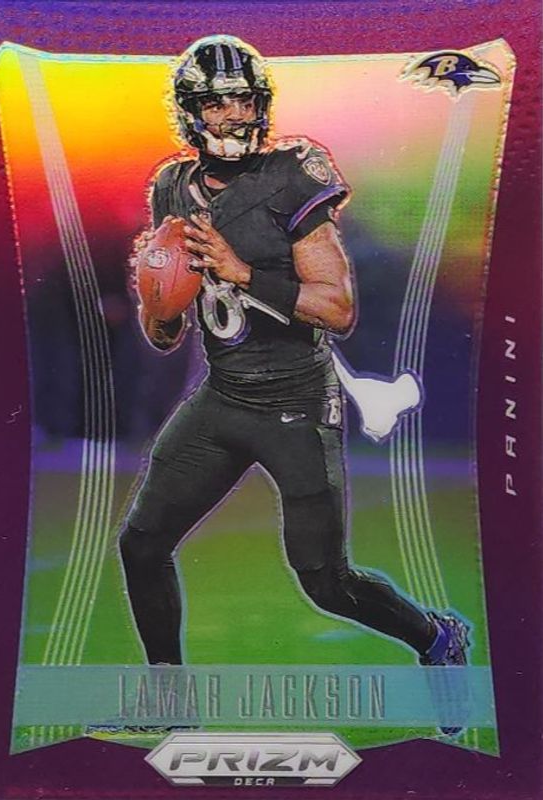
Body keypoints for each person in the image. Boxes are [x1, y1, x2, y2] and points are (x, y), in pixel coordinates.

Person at [119, 35, 469, 699]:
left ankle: (435, 637)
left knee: (325, 582)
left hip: (296, 403)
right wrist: (156, 300)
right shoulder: (171, 186)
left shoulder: (291, 174)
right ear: (190, 112)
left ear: (261, 104)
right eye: (216, 104)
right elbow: (165, 335)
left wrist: (240, 271)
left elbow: (337, 309)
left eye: (243, 100)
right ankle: (167, 701)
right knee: (141, 544)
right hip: (222, 397)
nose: (232, 116)